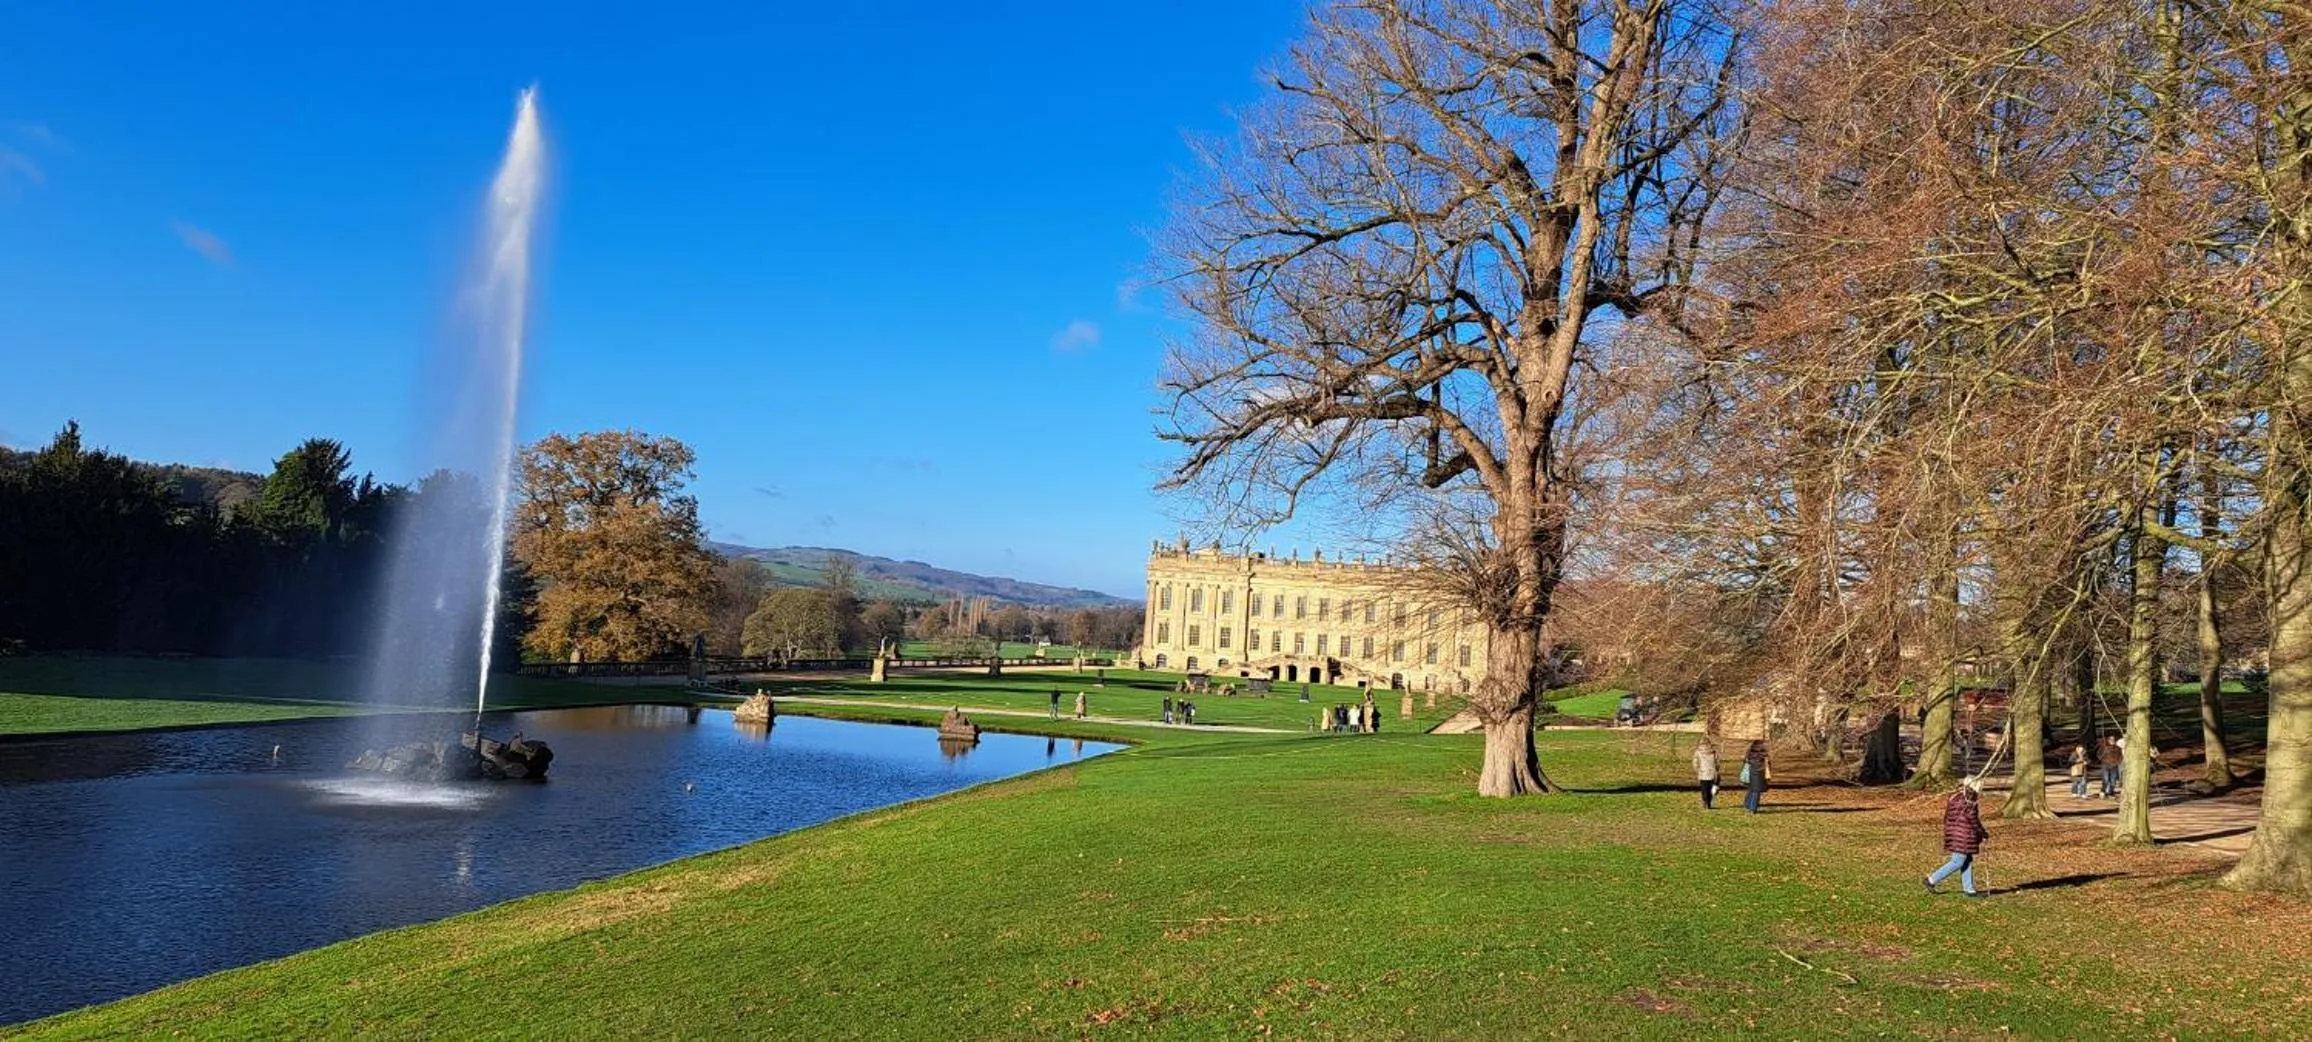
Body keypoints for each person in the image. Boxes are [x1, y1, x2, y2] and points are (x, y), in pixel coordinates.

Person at [1924, 777, 1991, 897]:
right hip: (1963, 835)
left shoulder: (1955, 797)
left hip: (1953, 832)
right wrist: (1983, 833)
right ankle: (1931, 880)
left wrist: (1950, 831)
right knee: (1958, 861)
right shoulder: (1970, 801)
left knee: (1967, 859)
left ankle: (1969, 889)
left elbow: (1947, 817)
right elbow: (1973, 821)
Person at [1741, 740, 1770, 813]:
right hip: (1760, 772)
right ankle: (1752, 808)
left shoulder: (1749, 751)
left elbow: (1745, 760)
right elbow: (1768, 763)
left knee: (1751, 789)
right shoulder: (1764, 753)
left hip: (1751, 771)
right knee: (1756, 791)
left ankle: (1747, 805)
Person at [1692, 737, 1720, 810]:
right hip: (1712, 773)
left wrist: (1697, 770)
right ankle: (1709, 803)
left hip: (1703, 773)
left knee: (1704, 789)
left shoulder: (1698, 751)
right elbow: (1717, 762)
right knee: (1710, 789)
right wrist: (1716, 770)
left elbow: (1695, 762)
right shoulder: (1713, 751)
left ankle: (1705, 801)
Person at [2097, 734, 2123, 799]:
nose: (2112, 741)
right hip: (2105, 765)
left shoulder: (2118, 748)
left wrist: (2118, 762)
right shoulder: (2104, 747)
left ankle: (2110, 793)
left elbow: (2121, 756)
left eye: (2113, 739)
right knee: (2106, 779)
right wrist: (2103, 760)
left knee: (2113, 780)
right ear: (2108, 740)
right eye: (2111, 739)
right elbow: (2099, 754)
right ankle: (2103, 791)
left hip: (2114, 766)